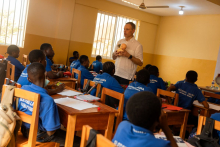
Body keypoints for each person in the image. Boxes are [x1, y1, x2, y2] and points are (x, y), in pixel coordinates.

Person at [18, 63, 65, 145]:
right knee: (78, 141)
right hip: (39, 136)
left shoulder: (22, 89)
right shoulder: (48, 100)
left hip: (23, 130)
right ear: (46, 74)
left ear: (29, 79)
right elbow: (50, 132)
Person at [112, 91, 178, 147]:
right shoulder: (159, 144)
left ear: (128, 116)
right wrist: (165, 127)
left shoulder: (122, 126)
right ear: (159, 120)